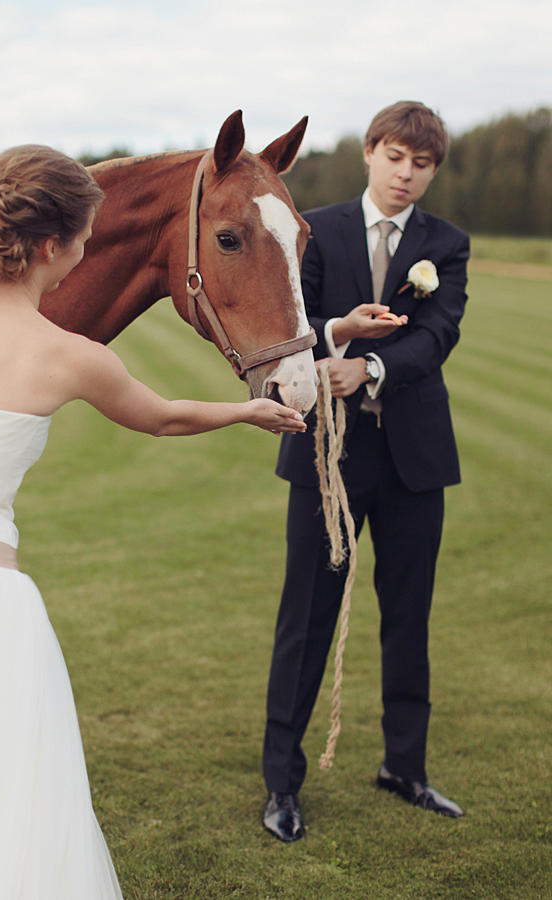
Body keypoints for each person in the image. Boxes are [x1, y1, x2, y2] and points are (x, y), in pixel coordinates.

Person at [0, 145, 306, 898]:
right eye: (85, 237)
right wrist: (247, 408)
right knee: (1, 801)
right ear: (55, 248)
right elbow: (167, 419)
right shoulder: (71, 356)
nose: (88, 250)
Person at [262, 101, 470, 842]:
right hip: (328, 458)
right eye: (395, 157)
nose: (407, 174)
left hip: (417, 460)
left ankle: (404, 769)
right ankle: (282, 785)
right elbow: (291, 321)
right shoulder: (319, 228)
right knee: (306, 620)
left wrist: (371, 367)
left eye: (422, 164)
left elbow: (438, 333)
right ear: (370, 153)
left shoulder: (446, 244)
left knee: (408, 617)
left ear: (431, 170)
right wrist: (334, 346)